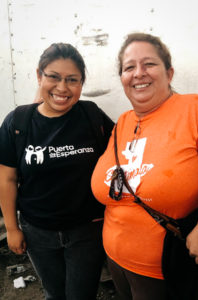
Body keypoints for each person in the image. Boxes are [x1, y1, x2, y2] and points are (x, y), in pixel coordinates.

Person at [91, 32, 198, 300]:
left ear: (170, 73)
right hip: (115, 261)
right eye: (129, 67)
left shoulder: (195, 109)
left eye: (149, 64)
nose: (139, 73)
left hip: (167, 268)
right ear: (122, 78)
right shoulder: (123, 123)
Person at [0, 43, 114, 300]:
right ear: (39, 76)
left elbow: (124, 150)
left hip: (87, 231)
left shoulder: (91, 116)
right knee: (53, 293)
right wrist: (12, 228)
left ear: (81, 84)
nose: (62, 88)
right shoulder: (17, 122)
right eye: (53, 77)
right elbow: (7, 178)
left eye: (72, 80)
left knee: (81, 295)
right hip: (37, 232)